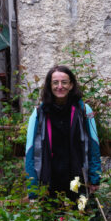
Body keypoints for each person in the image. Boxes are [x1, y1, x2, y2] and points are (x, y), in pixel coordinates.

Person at [25, 65, 101, 199]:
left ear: (71, 85)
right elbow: (30, 151)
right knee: (50, 218)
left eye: (64, 82)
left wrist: (94, 177)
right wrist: (32, 186)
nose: (60, 86)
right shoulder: (38, 114)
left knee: (80, 217)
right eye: (55, 82)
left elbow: (94, 145)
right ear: (49, 85)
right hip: (48, 179)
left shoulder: (84, 111)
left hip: (77, 178)